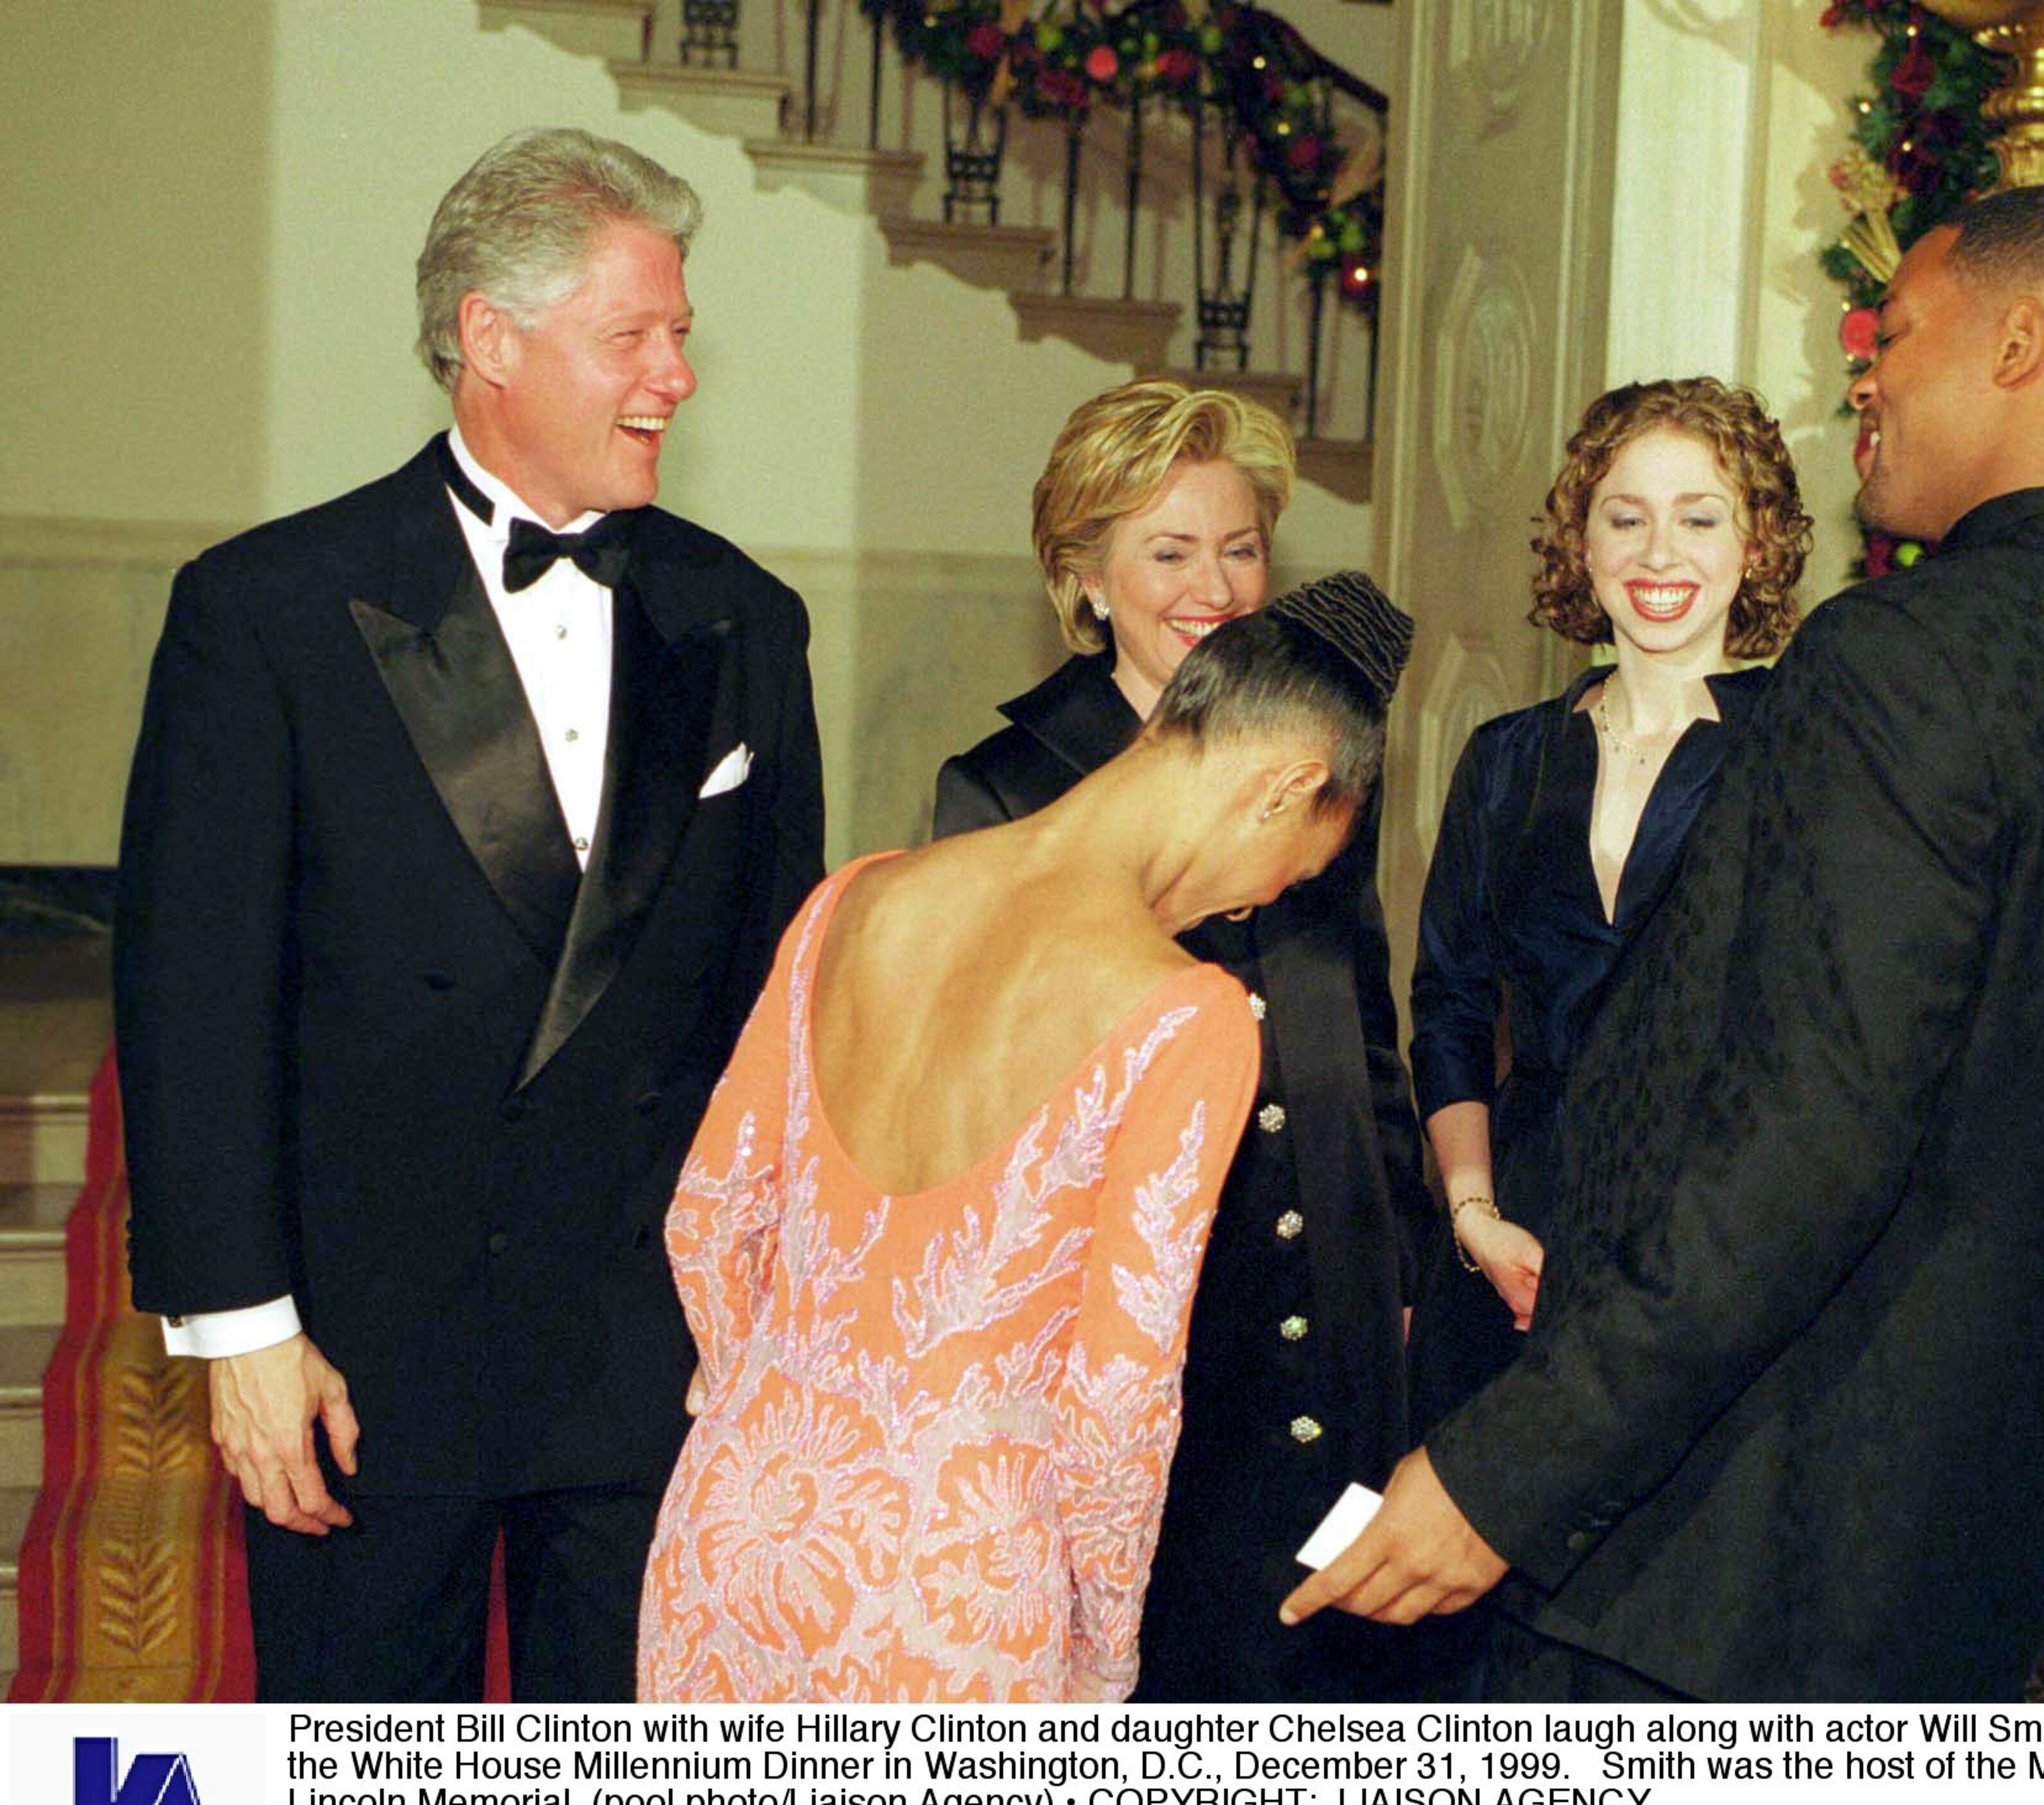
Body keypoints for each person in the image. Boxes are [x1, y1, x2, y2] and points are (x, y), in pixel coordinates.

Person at [1284, 183, 2044, 1702]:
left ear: (2021, 343)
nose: (1864, 373)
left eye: (1893, 331)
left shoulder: (1895, 658)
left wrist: (1511, 1468)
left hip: (1717, 1578)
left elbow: (1798, 1146)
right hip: (1972, 1586)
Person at [112, 128, 825, 1701]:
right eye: (633, 336)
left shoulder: (744, 621)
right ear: (489, 341)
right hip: (366, 1348)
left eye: (683, 334)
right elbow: (194, 1003)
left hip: (651, 1352)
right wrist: (241, 1330)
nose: (676, 377)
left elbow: (781, 1021)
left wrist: (771, 1318)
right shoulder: (269, 610)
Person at [639, 574, 1413, 1702]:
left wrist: (770, 1405)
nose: (1252, 907)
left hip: (733, 1530)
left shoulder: (853, 898)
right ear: (1286, 785)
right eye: (1293, 868)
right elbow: (1117, 1401)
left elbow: (708, 1217)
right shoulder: (1183, 1013)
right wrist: (1104, 1647)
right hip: (953, 1582)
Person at [933, 381, 1427, 1702]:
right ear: (1086, 578)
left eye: (1242, 547)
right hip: (1152, 1343)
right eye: (1169, 551)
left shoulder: (1319, 751)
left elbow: (1364, 1035)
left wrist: (1406, 1268)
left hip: (1337, 1310)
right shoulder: (1006, 788)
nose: (1215, 585)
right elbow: (990, 1119)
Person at [1408, 378, 1810, 1437]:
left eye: (1699, 518)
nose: (1657, 554)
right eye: (1625, 518)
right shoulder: (1506, 758)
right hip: (1514, 1238)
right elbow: (1448, 1008)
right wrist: (1474, 1218)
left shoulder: (1805, 752)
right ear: (1579, 545)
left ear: (1757, 544)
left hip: (1712, 1252)